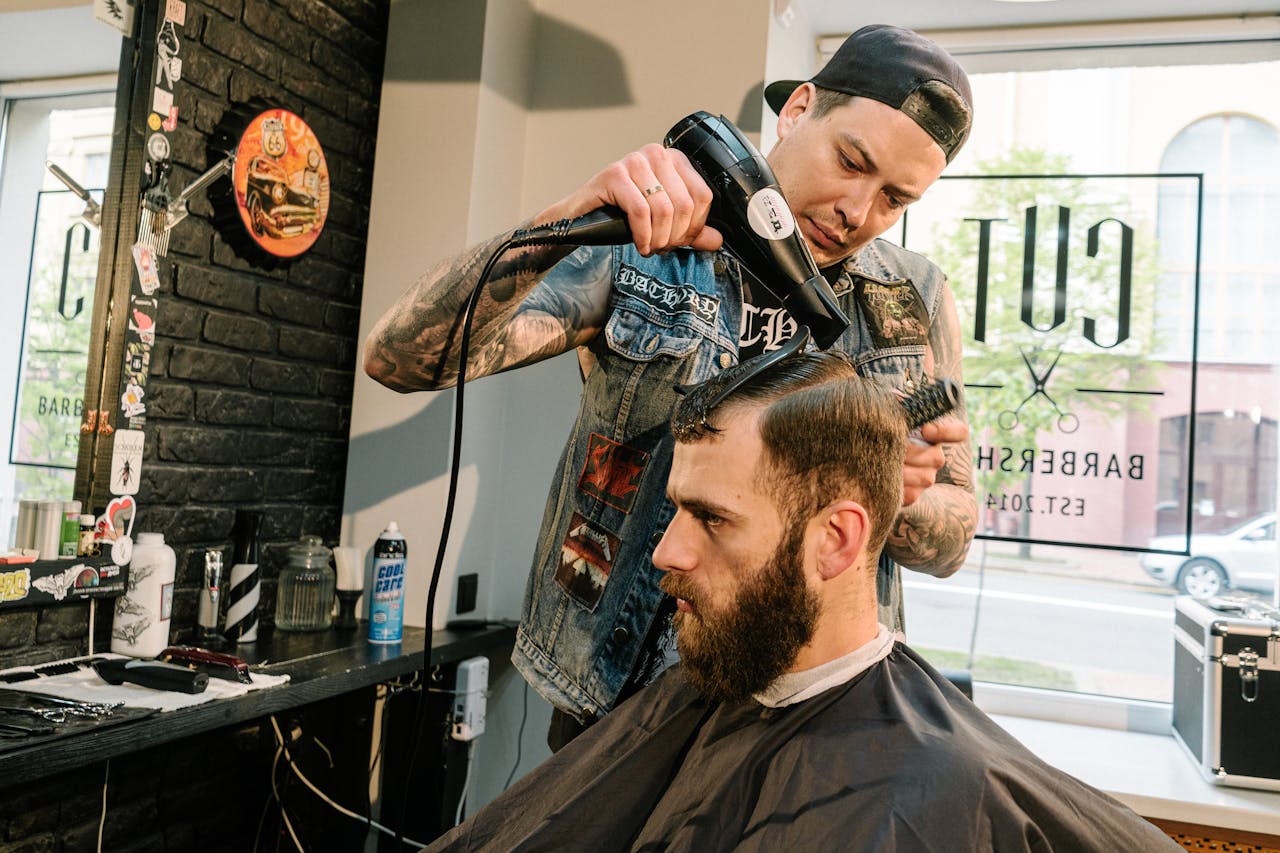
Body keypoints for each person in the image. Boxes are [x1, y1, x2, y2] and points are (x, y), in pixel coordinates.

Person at [365, 24, 978, 747]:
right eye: (851, 161)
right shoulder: (650, 246)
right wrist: (565, 222)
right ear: (799, 108)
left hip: (809, 723)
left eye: (894, 199)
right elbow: (401, 358)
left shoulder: (915, 300)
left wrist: (891, 487)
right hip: (618, 696)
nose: (858, 211)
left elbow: (953, 537)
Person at [423, 351, 1178, 852]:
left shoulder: (919, 795)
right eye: (678, 510)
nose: (665, 551)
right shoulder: (704, 694)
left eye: (713, 517)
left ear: (836, 540)